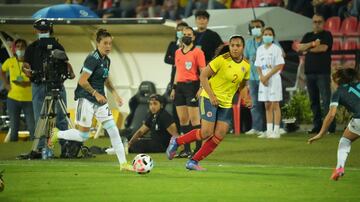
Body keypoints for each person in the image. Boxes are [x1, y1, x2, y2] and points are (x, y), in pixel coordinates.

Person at [49, 29, 132, 171]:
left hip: (99, 100)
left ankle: (123, 164)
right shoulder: (92, 59)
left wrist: (115, 95)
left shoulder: (106, 60)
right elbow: (82, 81)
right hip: (85, 98)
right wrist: (95, 94)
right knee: (83, 136)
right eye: (105, 43)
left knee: (113, 130)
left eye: (110, 44)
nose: (108, 46)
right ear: (97, 43)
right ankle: (57, 133)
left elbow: (105, 79)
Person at [166, 35, 250, 170]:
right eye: (232, 45)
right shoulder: (221, 60)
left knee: (220, 134)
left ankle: (193, 161)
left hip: (226, 103)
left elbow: (243, 84)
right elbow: (203, 75)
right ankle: (176, 141)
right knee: (206, 132)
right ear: (229, 46)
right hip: (209, 98)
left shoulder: (246, 65)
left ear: (243, 47)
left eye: (238, 45)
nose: (234, 48)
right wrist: (211, 96)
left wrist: (246, 98)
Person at [22, 19, 75, 157]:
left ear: (49, 30)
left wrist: (70, 70)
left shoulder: (57, 45)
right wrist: (26, 70)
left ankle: (66, 148)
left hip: (56, 84)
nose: (42, 33)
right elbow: (25, 65)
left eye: (44, 30)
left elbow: (66, 63)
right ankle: (41, 148)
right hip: (40, 83)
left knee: (61, 118)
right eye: (41, 30)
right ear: (36, 30)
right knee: (40, 117)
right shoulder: (32, 48)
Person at [308, 68, 360, 181]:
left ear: (337, 80)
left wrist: (321, 134)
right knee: (346, 138)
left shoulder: (339, 92)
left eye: (332, 80)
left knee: (345, 141)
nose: (331, 83)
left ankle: (339, 168)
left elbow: (331, 115)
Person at [170, 26, 206, 157]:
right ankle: (186, 149)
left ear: (194, 37)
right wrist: (173, 88)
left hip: (192, 86)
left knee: (195, 120)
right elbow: (177, 71)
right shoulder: (178, 52)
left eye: (189, 34)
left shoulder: (198, 52)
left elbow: (203, 71)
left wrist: (201, 87)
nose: (186, 36)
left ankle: (198, 149)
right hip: (179, 87)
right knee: (183, 120)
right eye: (184, 34)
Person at [298, 13, 336, 134]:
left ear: (323, 23)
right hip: (309, 73)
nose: (317, 24)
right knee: (313, 101)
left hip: (323, 73)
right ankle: (317, 126)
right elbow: (299, 47)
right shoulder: (308, 35)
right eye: (315, 22)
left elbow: (323, 48)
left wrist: (307, 48)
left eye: (319, 21)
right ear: (312, 23)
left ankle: (330, 127)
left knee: (326, 101)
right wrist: (312, 44)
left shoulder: (327, 35)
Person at [0, 39, 35, 141]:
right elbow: (2, 71)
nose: (20, 48)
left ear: (26, 49)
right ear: (15, 49)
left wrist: (28, 82)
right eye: (18, 46)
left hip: (28, 99)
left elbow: (35, 76)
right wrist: (6, 84)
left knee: (32, 126)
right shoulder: (10, 61)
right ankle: (13, 148)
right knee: (14, 127)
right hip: (12, 99)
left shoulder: (30, 62)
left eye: (22, 46)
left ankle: (34, 149)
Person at [255, 27, 285, 139]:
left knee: (275, 104)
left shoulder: (276, 49)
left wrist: (267, 76)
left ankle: (276, 131)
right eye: (265, 34)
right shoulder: (260, 49)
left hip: (274, 79)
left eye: (270, 34)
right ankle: (269, 130)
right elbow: (258, 65)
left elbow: (279, 65)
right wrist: (261, 77)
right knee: (267, 105)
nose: (267, 36)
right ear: (262, 36)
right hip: (263, 80)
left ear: (273, 36)